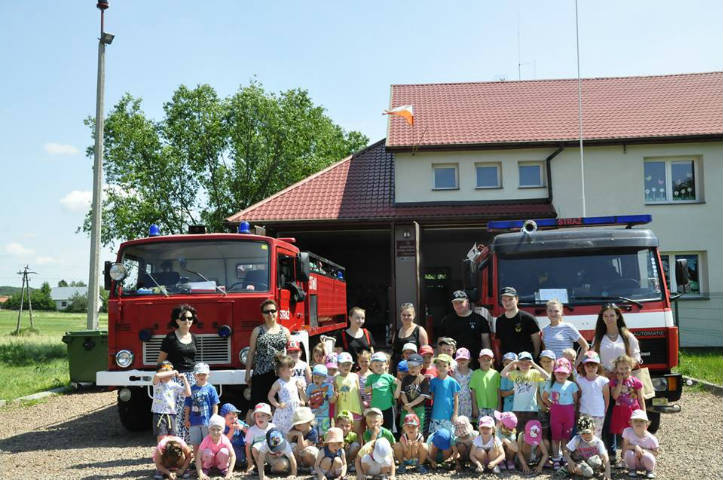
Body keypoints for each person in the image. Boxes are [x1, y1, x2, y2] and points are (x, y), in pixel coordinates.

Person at [593, 304, 643, 459]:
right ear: (602, 318)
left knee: (628, 417)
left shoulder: (627, 336)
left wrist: (624, 369)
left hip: (626, 384)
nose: (609, 319)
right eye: (606, 316)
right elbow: (593, 359)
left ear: (618, 316)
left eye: (612, 315)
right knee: (609, 417)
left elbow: (636, 357)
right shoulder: (599, 338)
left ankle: (631, 451)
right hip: (606, 383)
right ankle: (611, 452)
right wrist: (603, 371)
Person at [158, 304, 199, 440]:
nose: (187, 321)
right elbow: (160, 362)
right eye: (183, 318)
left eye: (190, 318)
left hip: (191, 379)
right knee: (176, 411)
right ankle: (176, 442)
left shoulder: (194, 338)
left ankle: (189, 443)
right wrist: (165, 379)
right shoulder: (170, 338)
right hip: (175, 378)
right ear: (177, 321)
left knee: (190, 410)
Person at [245, 299, 291, 413]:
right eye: (266, 312)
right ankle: (250, 430)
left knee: (278, 406)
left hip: (279, 374)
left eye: (272, 311)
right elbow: (251, 353)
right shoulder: (257, 331)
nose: (270, 314)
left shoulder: (285, 331)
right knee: (255, 407)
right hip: (260, 374)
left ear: (277, 312)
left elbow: (290, 354)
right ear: (262, 314)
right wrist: (247, 373)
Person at [436, 291, 490, 369]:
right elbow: (440, 343)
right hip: (452, 364)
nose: (458, 305)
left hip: (475, 363)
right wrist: (441, 361)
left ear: (467, 302)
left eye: (461, 302)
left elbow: (486, 344)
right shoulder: (446, 320)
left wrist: (487, 362)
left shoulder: (480, 320)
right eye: (455, 303)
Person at [542, 358, 580, 469]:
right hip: (556, 415)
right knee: (555, 438)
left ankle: (565, 457)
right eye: (558, 372)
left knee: (566, 437)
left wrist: (574, 411)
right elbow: (544, 397)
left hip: (568, 414)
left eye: (564, 373)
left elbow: (575, 400)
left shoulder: (572, 385)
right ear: (554, 372)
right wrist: (552, 406)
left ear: (568, 374)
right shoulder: (551, 384)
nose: (561, 375)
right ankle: (555, 458)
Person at [500, 352, 550, 432]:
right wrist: (513, 362)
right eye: (521, 363)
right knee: (519, 432)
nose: (524, 365)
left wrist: (534, 364)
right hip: (517, 409)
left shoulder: (534, 372)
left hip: (532, 409)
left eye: (527, 363)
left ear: (530, 364)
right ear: (518, 364)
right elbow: (502, 374)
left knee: (531, 433)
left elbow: (547, 377)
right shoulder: (515, 373)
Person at [609, 354, 645, 467]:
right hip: (620, 411)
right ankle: (623, 458)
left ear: (631, 367)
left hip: (633, 411)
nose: (624, 371)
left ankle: (630, 457)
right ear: (617, 369)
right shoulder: (614, 382)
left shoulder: (636, 382)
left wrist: (643, 413)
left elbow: (640, 398)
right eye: (621, 368)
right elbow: (614, 396)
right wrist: (619, 382)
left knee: (631, 435)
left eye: (626, 368)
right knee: (622, 435)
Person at [493, 287, 541, 361]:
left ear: (517, 299)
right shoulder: (499, 320)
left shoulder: (528, 318)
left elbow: (537, 342)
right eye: (504, 300)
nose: (507, 302)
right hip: (508, 362)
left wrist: (534, 358)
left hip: (525, 362)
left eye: (510, 299)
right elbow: (499, 343)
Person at [558, 416, 611, 480]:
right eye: (583, 433)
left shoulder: (598, 442)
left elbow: (605, 456)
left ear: (593, 430)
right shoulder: (577, 439)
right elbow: (565, 451)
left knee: (597, 462)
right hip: (579, 462)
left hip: (591, 462)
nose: (586, 435)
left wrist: (608, 472)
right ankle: (567, 469)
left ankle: (591, 471)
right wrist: (570, 461)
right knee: (588, 472)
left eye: (588, 433)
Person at [183, 363, 220, 457]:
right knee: (196, 444)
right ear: (195, 375)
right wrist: (186, 418)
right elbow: (187, 405)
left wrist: (214, 418)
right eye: (199, 374)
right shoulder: (191, 389)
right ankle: (197, 462)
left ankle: (208, 461)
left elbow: (215, 404)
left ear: (208, 375)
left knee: (207, 442)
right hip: (193, 421)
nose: (201, 376)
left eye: (203, 374)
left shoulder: (211, 388)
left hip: (206, 421)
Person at [152, 360, 192, 442]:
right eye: (165, 370)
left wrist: (184, 380)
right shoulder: (158, 383)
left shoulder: (174, 385)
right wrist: (172, 372)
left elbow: (188, 393)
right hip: (159, 414)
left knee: (172, 438)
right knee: (161, 437)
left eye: (169, 370)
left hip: (171, 414)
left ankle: (170, 454)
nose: (168, 373)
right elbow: (157, 375)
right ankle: (162, 453)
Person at [268, 354, 305, 435]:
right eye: (289, 368)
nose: (292, 369)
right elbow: (270, 396)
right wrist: (277, 405)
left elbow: (302, 395)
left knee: (296, 428)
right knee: (284, 431)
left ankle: (295, 444)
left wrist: (302, 399)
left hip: (295, 409)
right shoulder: (278, 383)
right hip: (285, 411)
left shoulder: (295, 380)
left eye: (292, 367)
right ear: (281, 370)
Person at [577, 351, 610, 437]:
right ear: (583, 366)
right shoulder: (580, 380)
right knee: (583, 435)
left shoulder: (603, 380)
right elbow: (579, 396)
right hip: (584, 412)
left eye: (593, 366)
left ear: (598, 367)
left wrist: (604, 410)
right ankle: (583, 450)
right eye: (588, 366)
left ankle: (596, 450)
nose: (590, 368)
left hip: (598, 413)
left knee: (596, 436)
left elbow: (606, 398)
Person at [391, 303, 429, 371]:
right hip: (398, 369)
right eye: (404, 315)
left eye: (409, 315)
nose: (406, 317)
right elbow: (393, 354)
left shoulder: (419, 330)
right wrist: (390, 369)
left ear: (414, 315)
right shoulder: (397, 332)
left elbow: (425, 354)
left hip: (413, 369)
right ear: (400, 316)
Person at [196, 414, 235, 480]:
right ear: (209, 430)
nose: (215, 432)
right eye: (213, 429)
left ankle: (223, 468)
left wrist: (229, 472)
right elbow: (198, 456)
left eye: (218, 429)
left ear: (222, 430)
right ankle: (206, 468)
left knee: (224, 451)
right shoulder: (206, 440)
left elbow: (233, 455)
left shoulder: (225, 439)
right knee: (207, 452)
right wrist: (200, 473)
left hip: (219, 462)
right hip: (209, 461)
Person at [365, 352, 398, 430]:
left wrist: (397, 383)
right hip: (375, 407)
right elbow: (366, 391)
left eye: (381, 365)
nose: (379, 368)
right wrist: (370, 387)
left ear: (386, 365)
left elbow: (395, 393)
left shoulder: (390, 377)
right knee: (375, 427)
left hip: (388, 407)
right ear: (371, 367)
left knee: (389, 428)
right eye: (376, 366)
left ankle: (389, 441)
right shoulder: (370, 377)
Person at [334, 352, 364, 439]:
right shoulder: (336, 379)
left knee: (357, 434)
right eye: (343, 364)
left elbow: (358, 392)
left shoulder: (355, 376)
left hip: (355, 409)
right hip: (342, 411)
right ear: (338, 365)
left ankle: (358, 450)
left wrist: (362, 407)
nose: (346, 366)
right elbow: (336, 398)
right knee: (342, 434)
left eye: (348, 364)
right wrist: (335, 413)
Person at [428, 353, 460, 434]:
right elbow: (432, 397)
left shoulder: (452, 382)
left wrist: (455, 414)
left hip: (448, 416)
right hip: (435, 415)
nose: (441, 368)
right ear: (436, 367)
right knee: (436, 437)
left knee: (449, 437)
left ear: (449, 368)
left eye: (444, 366)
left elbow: (456, 399)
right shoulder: (433, 381)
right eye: (439, 365)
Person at [621, 410, 659, 479]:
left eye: (641, 421)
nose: (638, 423)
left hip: (646, 462)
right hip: (633, 460)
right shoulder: (627, 432)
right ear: (631, 423)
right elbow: (625, 447)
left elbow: (656, 453)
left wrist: (643, 450)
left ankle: (649, 471)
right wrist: (635, 447)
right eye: (635, 421)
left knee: (647, 456)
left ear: (647, 424)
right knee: (629, 453)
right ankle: (632, 469)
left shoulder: (651, 438)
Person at [398, 353, 430, 429]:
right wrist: (408, 407)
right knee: (405, 428)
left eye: (414, 367)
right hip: (406, 407)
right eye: (409, 367)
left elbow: (422, 397)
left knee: (418, 429)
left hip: (419, 408)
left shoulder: (424, 380)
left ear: (421, 366)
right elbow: (403, 394)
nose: (412, 369)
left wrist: (411, 405)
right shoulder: (405, 379)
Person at [470, 348, 501, 420]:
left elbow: (498, 391)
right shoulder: (475, 373)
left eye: (488, 359)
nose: (486, 361)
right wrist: (474, 407)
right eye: (483, 359)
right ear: (479, 360)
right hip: (480, 406)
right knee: (482, 426)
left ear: (492, 361)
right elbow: (473, 392)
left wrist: (499, 406)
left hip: (494, 406)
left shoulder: (496, 374)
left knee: (493, 427)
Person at [244, 403, 275, 474]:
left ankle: (270, 468)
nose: (260, 418)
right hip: (259, 456)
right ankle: (260, 467)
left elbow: (277, 443)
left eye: (263, 415)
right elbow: (247, 447)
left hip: (271, 455)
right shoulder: (252, 430)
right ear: (255, 418)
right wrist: (250, 463)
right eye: (257, 416)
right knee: (255, 447)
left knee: (282, 465)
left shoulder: (273, 427)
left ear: (268, 416)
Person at [306, 364, 335, 438]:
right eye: (315, 377)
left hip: (324, 416)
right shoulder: (310, 387)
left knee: (324, 436)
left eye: (319, 377)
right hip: (313, 416)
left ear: (325, 377)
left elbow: (331, 401)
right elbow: (306, 399)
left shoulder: (328, 386)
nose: (317, 379)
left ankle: (323, 448)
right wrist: (301, 391)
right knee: (313, 435)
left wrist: (334, 396)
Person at [220, 403, 248, 472]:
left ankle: (242, 463)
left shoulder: (239, 422)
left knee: (240, 460)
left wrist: (243, 428)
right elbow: (224, 441)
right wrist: (232, 430)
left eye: (236, 417)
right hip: (227, 449)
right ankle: (226, 466)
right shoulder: (221, 426)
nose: (234, 419)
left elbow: (250, 432)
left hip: (240, 447)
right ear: (223, 418)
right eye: (231, 418)